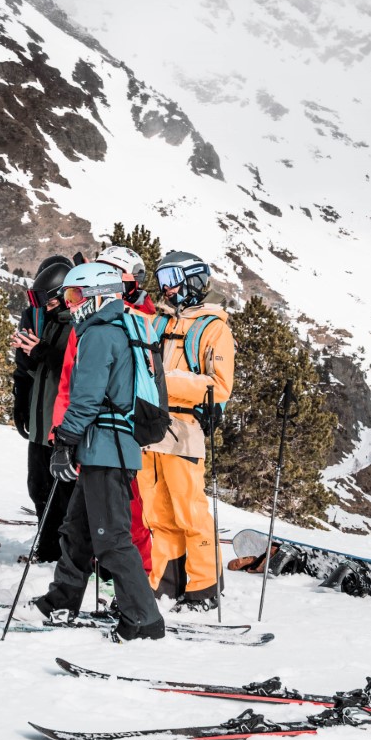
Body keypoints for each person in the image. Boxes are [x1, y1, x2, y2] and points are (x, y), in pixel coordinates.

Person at [26, 262, 165, 642]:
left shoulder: (100, 334)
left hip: (108, 450)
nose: (70, 305)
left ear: (96, 296)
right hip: (103, 447)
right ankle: (62, 599)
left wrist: (64, 442)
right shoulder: (117, 326)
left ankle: (144, 618)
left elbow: (86, 399)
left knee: (112, 539)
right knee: (78, 531)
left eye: (74, 296)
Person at [137, 250, 235, 610]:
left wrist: (165, 380)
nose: (166, 289)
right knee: (156, 512)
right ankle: (166, 581)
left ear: (193, 279)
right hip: (150, 425)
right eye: (162, 282)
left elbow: (218, 386)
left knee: (188, 510)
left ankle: (204, 587)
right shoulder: (159, 323)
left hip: (185, 426)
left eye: (172, 280)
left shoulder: (214, 328)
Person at [12, 255, 74, 562]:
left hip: (61, 423)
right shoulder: (40, 320)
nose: (45, 309)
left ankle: (68, 555)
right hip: (40, 419)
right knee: (38, 486)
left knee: (63, 493)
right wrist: (20, 403)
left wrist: (39, 349)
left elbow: (72, 369)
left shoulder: (76, 324)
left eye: (50, 303)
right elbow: (28, 370)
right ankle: (48, 548)